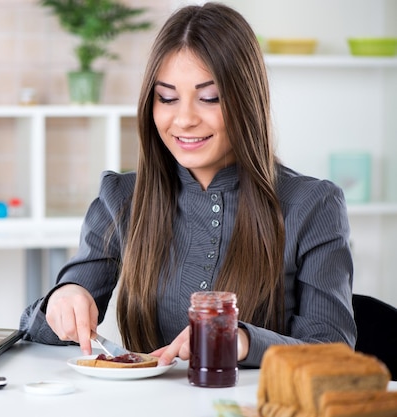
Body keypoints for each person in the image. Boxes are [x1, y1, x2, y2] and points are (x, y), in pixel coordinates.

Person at [19, 2, 356, 368]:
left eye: (209, 98)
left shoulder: (313, 205)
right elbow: (39, 324)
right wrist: (65, 297)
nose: (184, 118)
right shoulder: (122, 198)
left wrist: (239, 340)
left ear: (248, 100)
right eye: (167, 97)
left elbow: (332, 352)